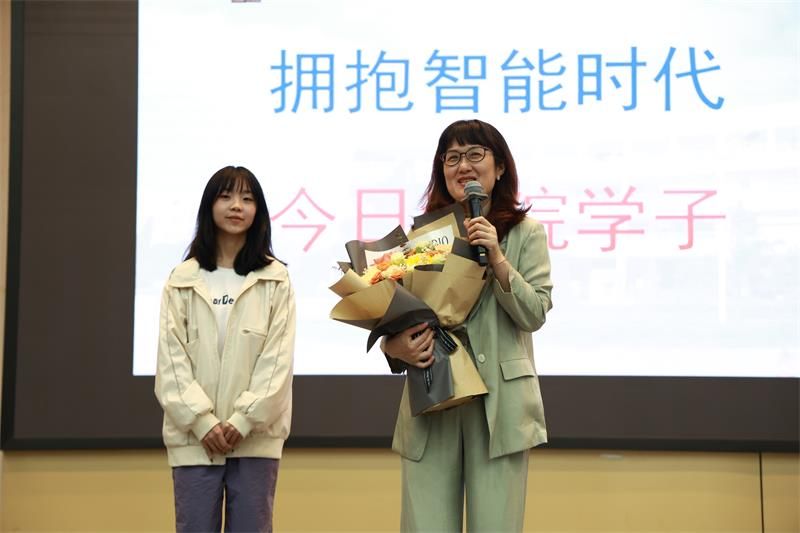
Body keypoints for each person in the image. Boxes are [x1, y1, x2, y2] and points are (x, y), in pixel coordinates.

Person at [383, 119, 553, 532]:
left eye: (475, 154)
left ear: (500, 167)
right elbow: (392, 312)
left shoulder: (526, 234)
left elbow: (534, 312)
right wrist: (394, 346)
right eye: (452, 157)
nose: (463, 166)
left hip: (499, 404)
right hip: (434, 393)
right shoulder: (422, 237)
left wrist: (497, 257)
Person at [154, 165, 295, 533]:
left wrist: (242, 421)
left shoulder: (275, 278)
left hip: (255, 439)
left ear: (258, 212)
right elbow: (171, 363)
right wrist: (203, 421)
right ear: (209, 206)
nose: (236, 206)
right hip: (193, 440)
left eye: (247, 199)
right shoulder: (182, 279)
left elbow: (277, 362)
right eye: (226, 196)